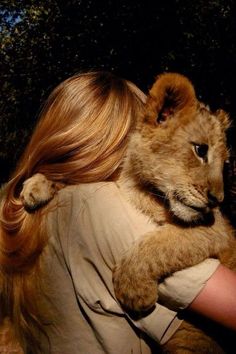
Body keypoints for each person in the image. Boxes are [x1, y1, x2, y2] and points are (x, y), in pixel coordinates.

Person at [0, 71, 236, 354]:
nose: (217, 194)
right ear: (107, 141)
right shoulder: (102, 208)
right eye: (132, 133)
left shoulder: (15, 207)